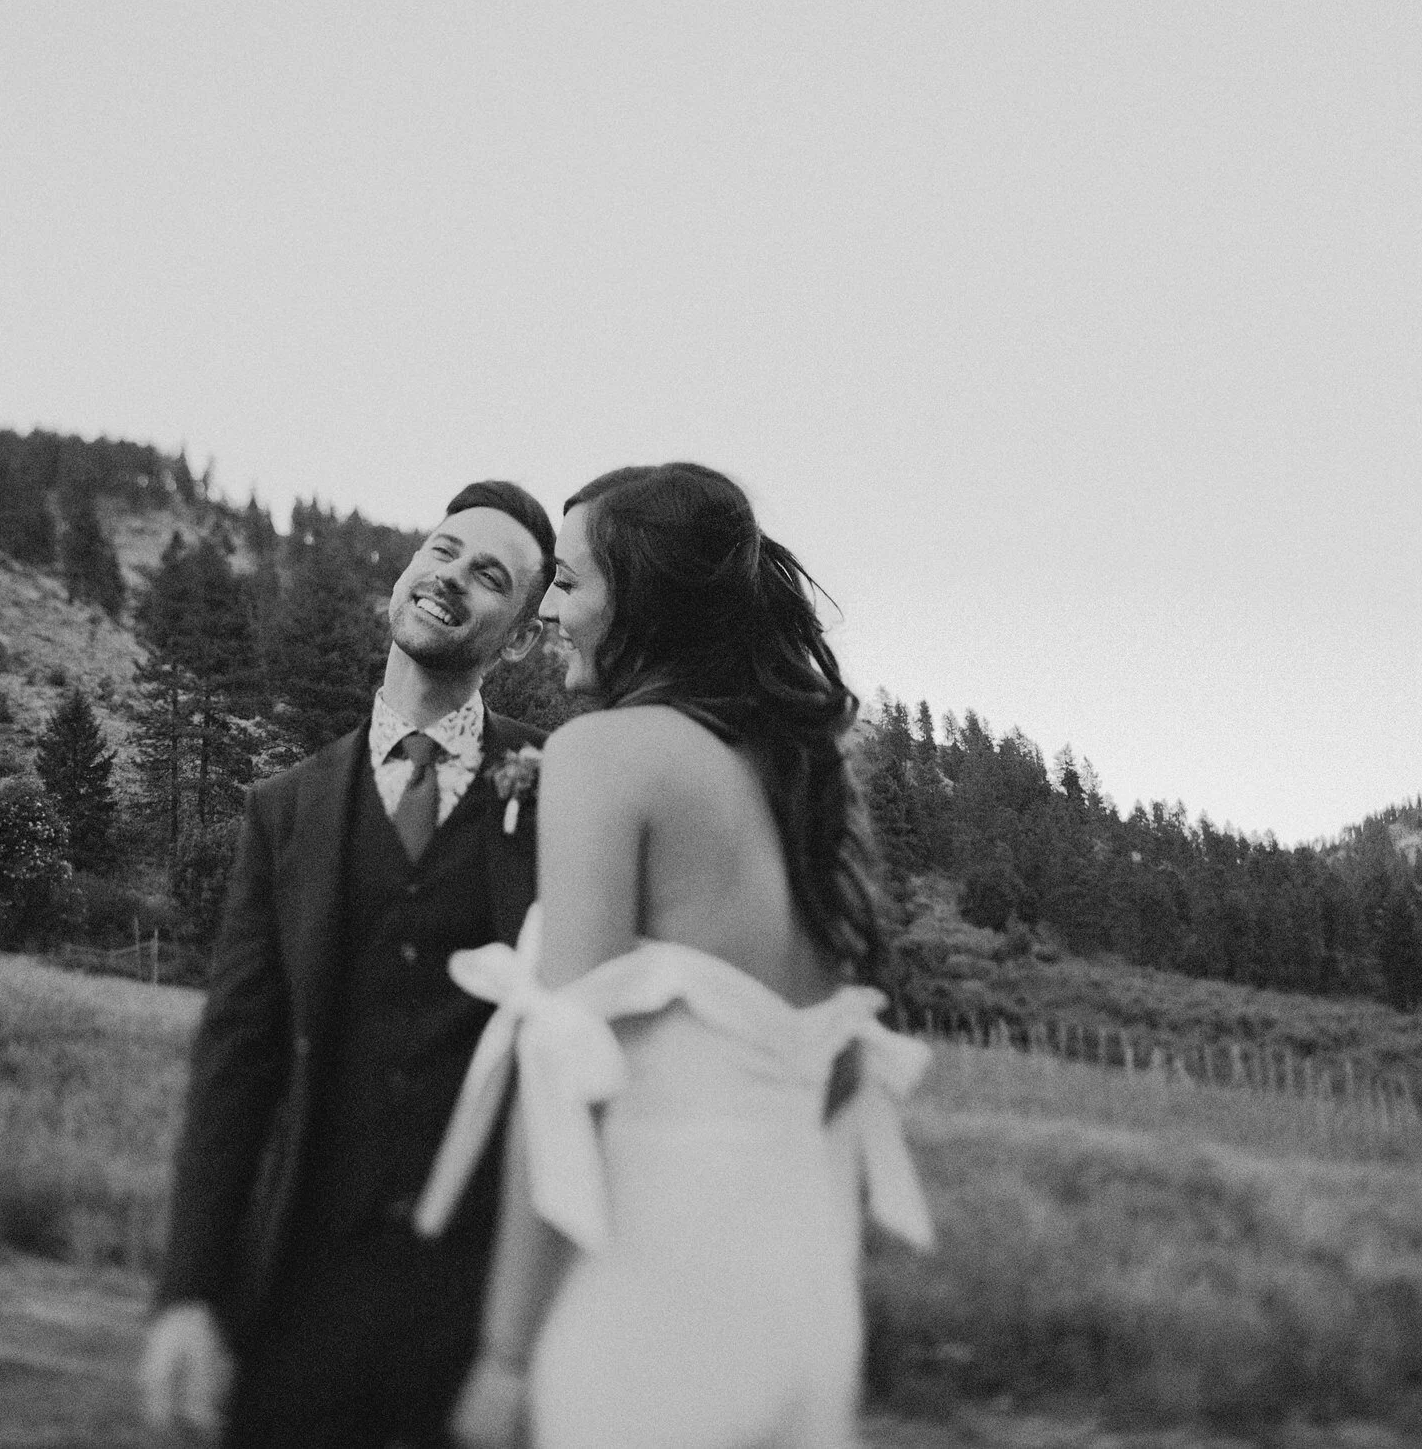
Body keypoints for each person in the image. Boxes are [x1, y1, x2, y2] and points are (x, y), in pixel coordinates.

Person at [421, 463, 934, 1449]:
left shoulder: (605, 754)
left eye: (567, 583)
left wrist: (507, 1352)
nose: (545, 611)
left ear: (641, 599)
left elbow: (565, 1078)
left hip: (651, 1304)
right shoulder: (802, 785)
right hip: (802, 1308)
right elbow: (831, 1087)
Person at [139, 480, 557, 1448]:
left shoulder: (559, 781)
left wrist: (534, 1337)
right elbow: (234, 1062)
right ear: (405, 570)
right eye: (442, 551)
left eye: (489, 575)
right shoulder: (282, 808)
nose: (452, 578)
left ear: (524, 635)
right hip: (300, 1296)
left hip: (480, 1308)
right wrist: (189, 1292)